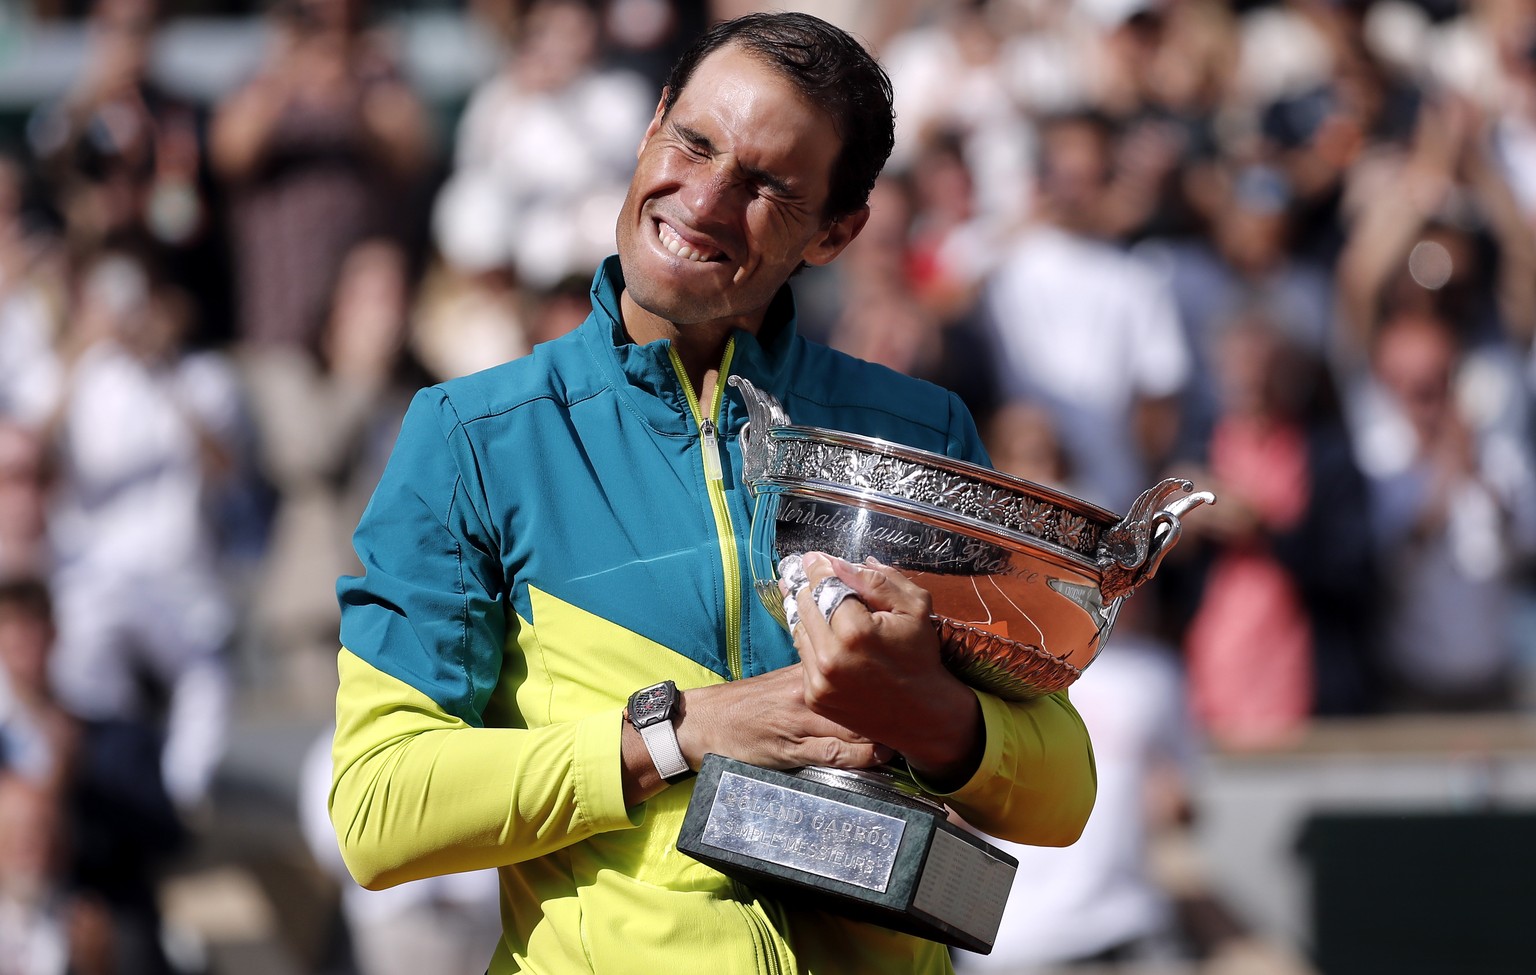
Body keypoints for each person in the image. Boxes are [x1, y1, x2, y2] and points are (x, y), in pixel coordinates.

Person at [330, 12, 1097, 975]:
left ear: (838, 231)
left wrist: (923, 711)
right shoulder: (472, 436)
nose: (704, 197)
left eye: (768, 184)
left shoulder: (918, 432)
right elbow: (380, 805)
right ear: (653, 123)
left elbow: (1063, 785)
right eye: (694, 142)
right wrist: (682, 731)